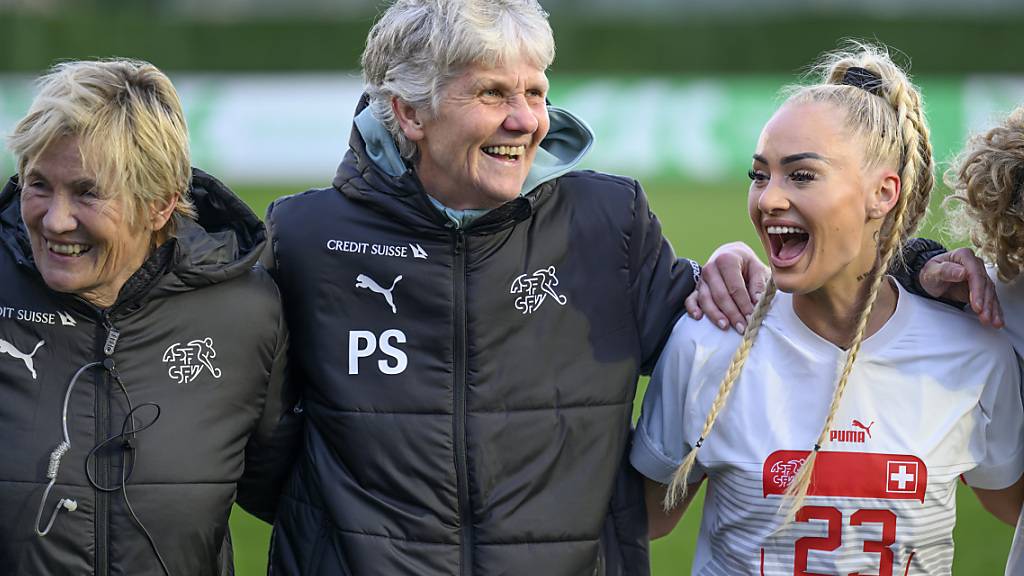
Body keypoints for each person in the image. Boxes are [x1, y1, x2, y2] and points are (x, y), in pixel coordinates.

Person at [262, 0, 762, 573]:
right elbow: (255, 437)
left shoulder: (609, 223)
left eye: (536, 92)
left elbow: (714, 347)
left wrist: (733, 261)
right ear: (409, 114)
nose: (526, 120)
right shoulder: (306, 237)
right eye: (492, 94)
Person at [630, 44, 1024, 574]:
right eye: (759, 175)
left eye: (801, 175)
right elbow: (644, 520)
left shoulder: (977, 352)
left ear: (883, 193)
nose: (768, 198)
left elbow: (1009, 503)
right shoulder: (708, 343)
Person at [0, 59, 295, 575]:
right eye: (38, 184)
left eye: (87, 192)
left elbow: (292, 496)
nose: (55, 219)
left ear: (159, 206)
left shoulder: (248, 314)